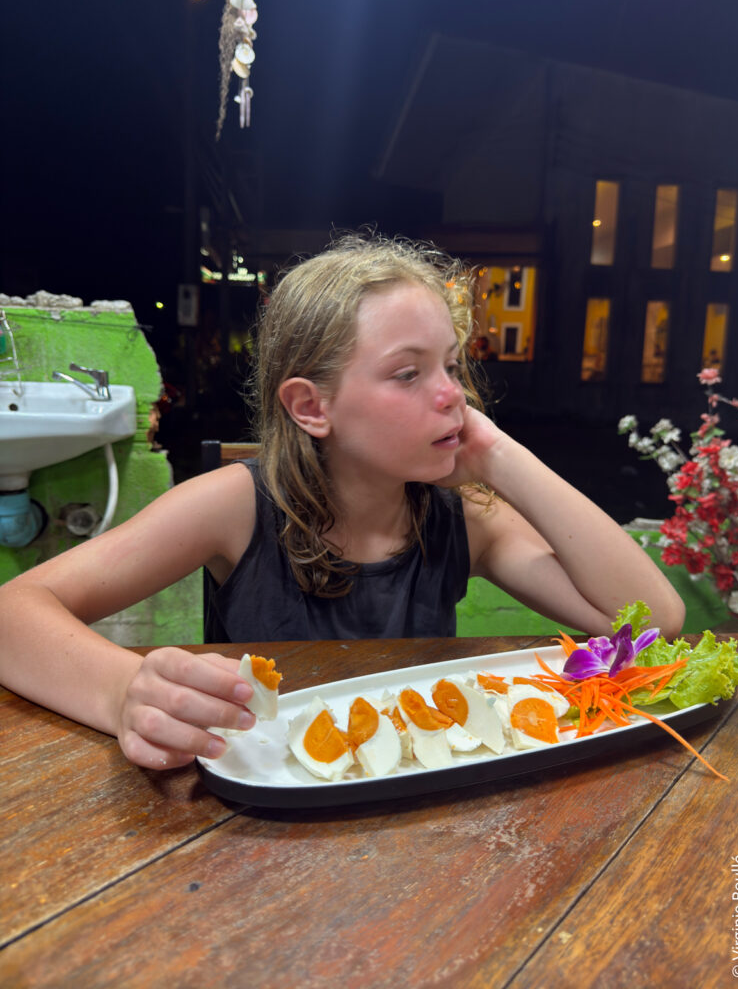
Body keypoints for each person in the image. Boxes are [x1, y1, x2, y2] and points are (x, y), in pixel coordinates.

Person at [0, 233, 684, 771]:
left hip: (419, 793)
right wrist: (124, 691)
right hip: (264, 803)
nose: (452, 393)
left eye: (451, 365)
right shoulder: (234, 506)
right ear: (311, 406)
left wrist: (501, 455)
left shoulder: (464, 516)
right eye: (408, 373)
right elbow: (13, 613)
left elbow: (653, 621)